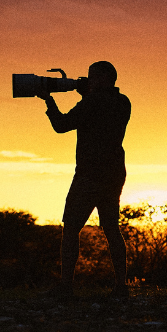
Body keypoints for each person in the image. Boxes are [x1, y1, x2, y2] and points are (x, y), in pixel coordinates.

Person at [38, 61, 131, 299]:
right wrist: (88, 94)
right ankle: (121, 287)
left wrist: (48, 100)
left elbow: (61, 125)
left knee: (71, 227)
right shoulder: (124, 102)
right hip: (114, 173)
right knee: (111, 228)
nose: (88, 80)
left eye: (92, 76)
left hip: (89, 174)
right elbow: (103, 111)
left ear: (103, 78)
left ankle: (66, 286)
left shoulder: (92, 101)